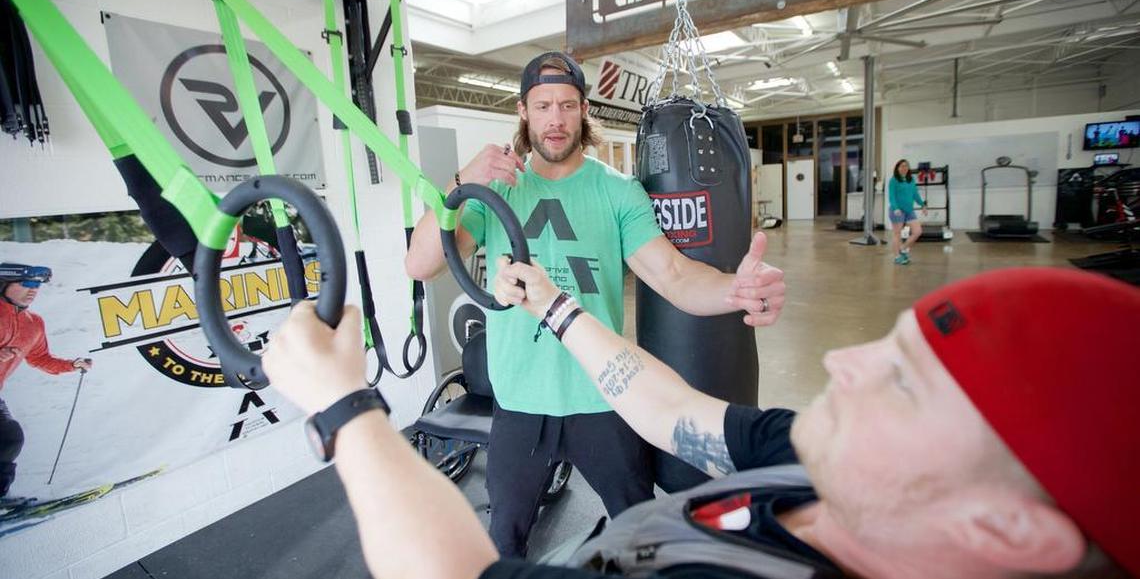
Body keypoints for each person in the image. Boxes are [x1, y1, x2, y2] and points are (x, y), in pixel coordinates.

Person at [261, 254, 1139, 579]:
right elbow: (671, 407)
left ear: (1008, 531)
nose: (841, 358)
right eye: (888, 341)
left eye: (903, 382)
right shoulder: (820, 462)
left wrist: (346, 410)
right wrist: (556, 305)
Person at [403, 51, 786, 557]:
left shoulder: (618, 191)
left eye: (566, 105)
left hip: (604, 396)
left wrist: (730, 290)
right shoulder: (494, 188)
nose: (555, 119)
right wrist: (461, 181)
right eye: (543, 106)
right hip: (520, 401)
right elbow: (420, 263)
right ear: (523, 111)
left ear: (584, 109)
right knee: (505, 538)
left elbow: (671, 274)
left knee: (639, 530)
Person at [0, 263, 92, 499]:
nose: (33, 290)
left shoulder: (33, 323)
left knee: (9, 438)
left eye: (37, 285)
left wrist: (72, 365)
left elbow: (39, 357)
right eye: (27, 284)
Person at [887, 159, 927, 265]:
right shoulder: (894, 180)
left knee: (918, 231)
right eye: (901, 166)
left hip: (909, 211)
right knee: (897, 234)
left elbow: (915, 194)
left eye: (906, 166)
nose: (904, 168)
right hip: (897, 211)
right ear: (897, 168)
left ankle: (903, 248)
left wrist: (923, 205)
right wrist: (895, 208)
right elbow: (891, 196)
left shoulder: (911, 179)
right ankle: (897, 257)